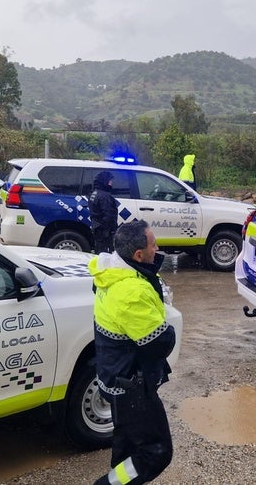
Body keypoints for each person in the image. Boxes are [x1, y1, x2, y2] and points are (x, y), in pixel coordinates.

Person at [89, 220, 176, 485]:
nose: (157, 248)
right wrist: (166, 326)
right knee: (156, 451)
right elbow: (161, 342)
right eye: (153, 245)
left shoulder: (112, 271)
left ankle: (119, 480)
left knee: (127, 444)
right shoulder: (131, 292)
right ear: (138, 255)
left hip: (114, 374)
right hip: (131, 387)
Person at [89, 171, 118, 254]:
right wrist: (112, 229)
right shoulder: (105, 196)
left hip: (97, 227)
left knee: (99, 251)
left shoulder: (94, 193)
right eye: (109, 180)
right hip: (105, 231)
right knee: (105, 254)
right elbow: (108, 215)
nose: (111, 183)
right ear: (104, 181)